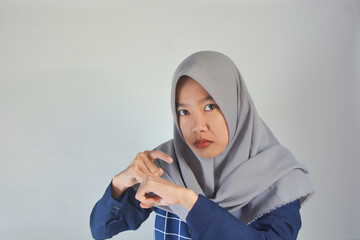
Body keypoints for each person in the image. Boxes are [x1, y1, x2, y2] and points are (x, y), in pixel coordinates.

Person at [90, 51, 315, 240]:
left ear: (236, 104)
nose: (198, 126)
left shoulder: (278, 178)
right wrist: (120, 183)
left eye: (210, 107)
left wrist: (187, 200)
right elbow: (102, 229)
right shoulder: (167, 165)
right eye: (184, 112)